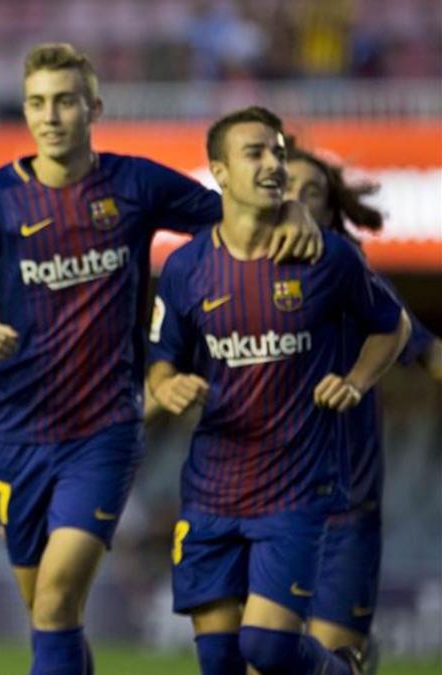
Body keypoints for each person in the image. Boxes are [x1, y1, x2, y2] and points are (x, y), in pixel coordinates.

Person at [0, 43, 321, 675]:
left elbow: (236, 216)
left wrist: (291, 205)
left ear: (93, 107)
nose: (51, 116)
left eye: (65, 101)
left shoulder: (134, 184)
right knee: (51, 613)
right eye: (38, 103)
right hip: (17, 437)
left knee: (55, 599)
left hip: (104, 432)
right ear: (25, 111)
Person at [147, 106, 410, 675]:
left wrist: (358, 381)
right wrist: (166, 387)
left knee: (265, 650)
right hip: (210, 491)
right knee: (218, 661)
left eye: (278, 153)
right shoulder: (186, 269)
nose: (272, 164)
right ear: (218, 171)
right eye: (256, 153)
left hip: (297, 491)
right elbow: (161, 361)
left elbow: (395, 325)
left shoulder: (329, 258)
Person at [286, 143, 442, 662]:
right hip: (256, 505)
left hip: (343, 507)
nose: (298, 200)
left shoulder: (357, 283)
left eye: (313, 192)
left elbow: (426, 351)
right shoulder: (222, 276)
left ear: (332, 213)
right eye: (287, 188)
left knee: (329, 657)